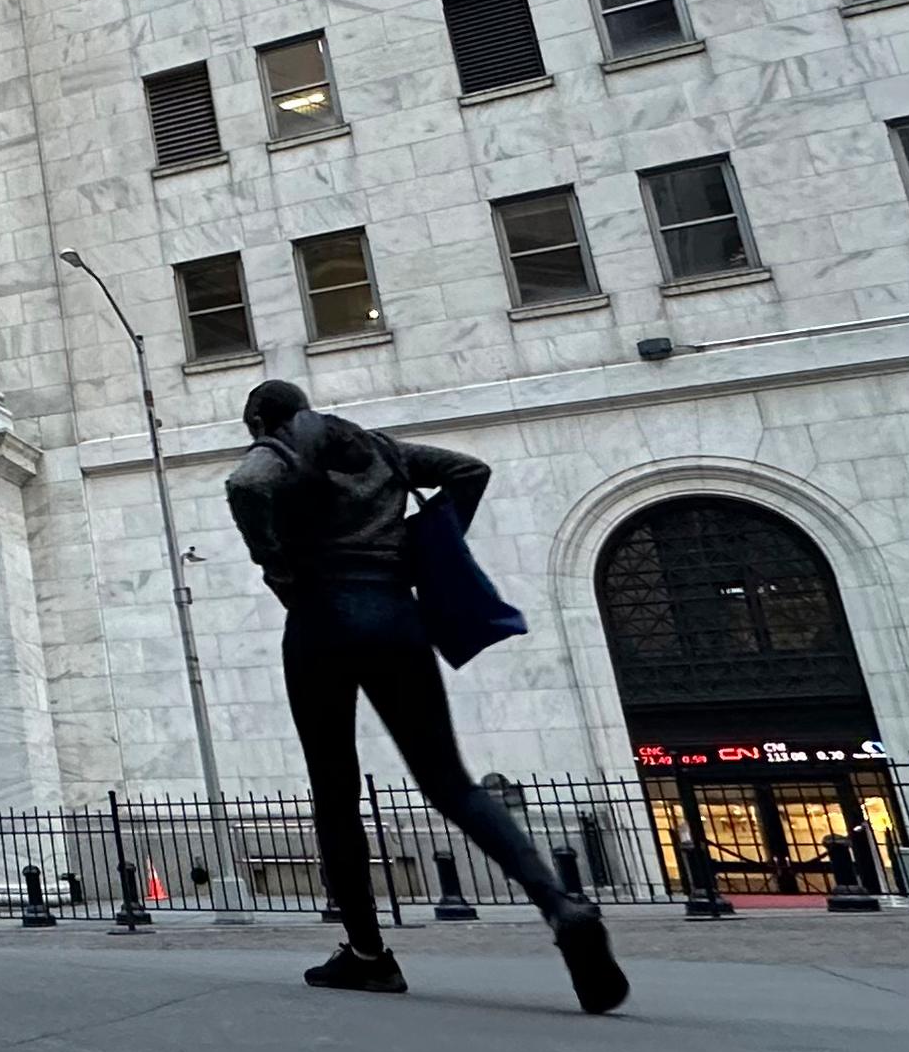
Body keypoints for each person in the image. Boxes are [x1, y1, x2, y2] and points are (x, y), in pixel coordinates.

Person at [224, 380, 628, 1014]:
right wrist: (421, 541)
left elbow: (246, 486)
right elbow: (470, 470)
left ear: (259, 419)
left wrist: (274, 562)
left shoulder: (277, 451)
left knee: (336, 792)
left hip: (320, 617)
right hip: (395, 614)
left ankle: (367, 955)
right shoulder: (382, 450)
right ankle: (561, 905)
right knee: (450, 781)